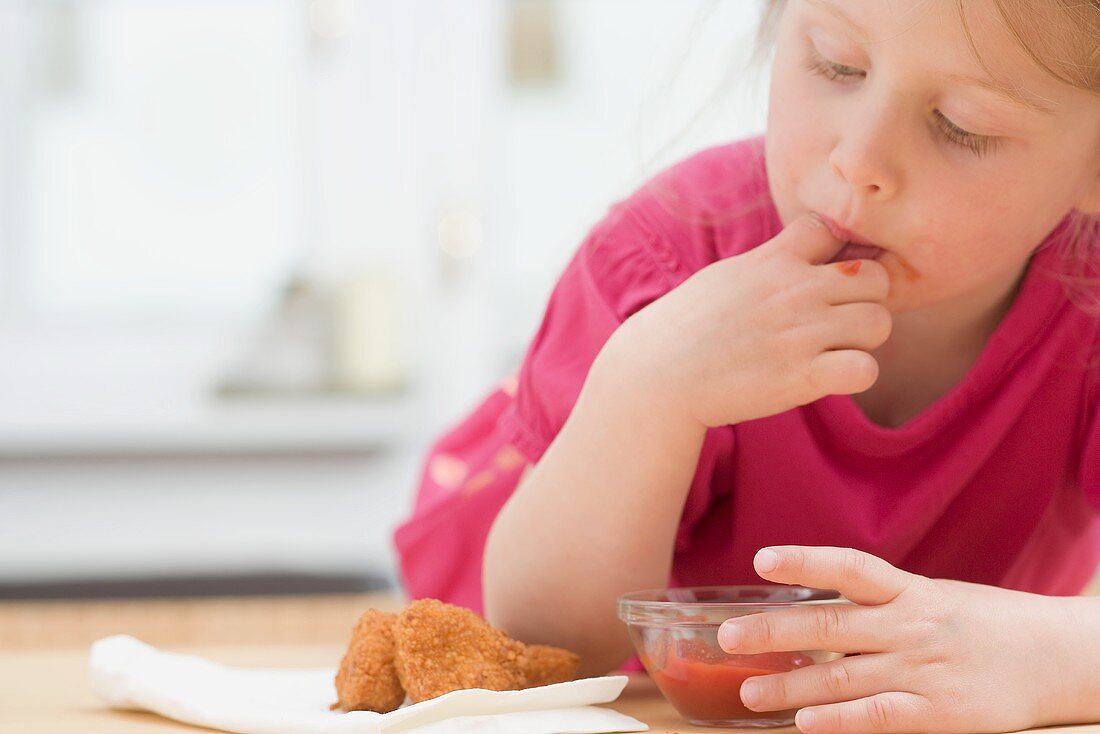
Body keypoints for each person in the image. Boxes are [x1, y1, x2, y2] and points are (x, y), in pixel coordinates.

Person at [394, 1, 1100, 731]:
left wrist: (1049, 656)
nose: (858, 161)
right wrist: (646, 392)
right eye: (836, 64)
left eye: (962, 125)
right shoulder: (665, 265)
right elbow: (549, 641)